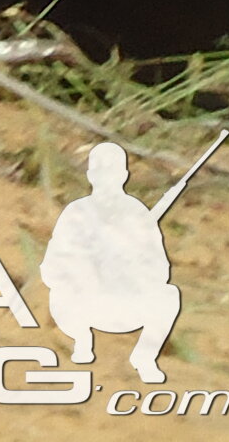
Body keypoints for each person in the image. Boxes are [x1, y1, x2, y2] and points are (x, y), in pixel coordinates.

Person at [39, 141, 183, 382]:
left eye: (113, 172)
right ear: (91, 175)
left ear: (124, 175)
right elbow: (52, 267)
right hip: (81, 304)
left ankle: (144, 357)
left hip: (123, 303)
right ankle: (81, 342)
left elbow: (160, 270)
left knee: (169, 296)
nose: (107, 179)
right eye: (100, 171)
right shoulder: (76, 212)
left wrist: (133, 264)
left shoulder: (138, 215)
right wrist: (86, 265)